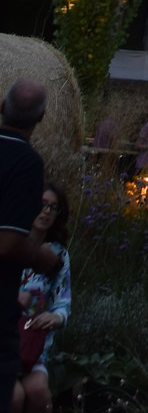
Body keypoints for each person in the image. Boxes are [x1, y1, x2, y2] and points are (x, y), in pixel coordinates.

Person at [0, 85, 57, 413]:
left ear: (2, 107)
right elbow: (7, 243)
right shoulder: (26, 163)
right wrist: (39, 256)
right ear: (42, 117)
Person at [16, 182, 70, 413]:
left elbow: (63, 303)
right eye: (42, 204)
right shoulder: (10, 242)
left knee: (39, 393)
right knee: (13, 396)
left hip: (31, 346)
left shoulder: (59, 254)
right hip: (5, 340)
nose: (46, 211)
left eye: (53, 207)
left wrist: (56, 317)